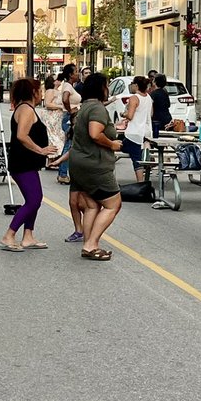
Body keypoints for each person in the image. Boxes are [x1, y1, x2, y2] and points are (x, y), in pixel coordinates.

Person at [0, 78, 58, 252]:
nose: (41, 93)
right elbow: (22, 135)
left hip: (28, 163)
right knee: (33, 200)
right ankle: (8, 235)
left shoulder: (28, 108)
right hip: (22, 162)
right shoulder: (25, 109)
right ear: (33, 92)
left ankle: (28, 236)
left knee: (34, 199)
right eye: (39, 90)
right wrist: (41, 150)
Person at [69, 72, 123, 260]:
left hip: (79, 162)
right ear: (101, 88)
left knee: (92, 205)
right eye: (107, 85)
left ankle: (87, 244)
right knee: (113, 205)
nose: (108, 89)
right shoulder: (98, 109)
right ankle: (92, 244)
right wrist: (112, 144)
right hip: (94, 164)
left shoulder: (84, 107)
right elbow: (94, 133)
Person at [120, 75, 153, 181]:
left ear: (136, 85)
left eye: (133, 84)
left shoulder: (134, 98)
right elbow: (151, 113)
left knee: (135, 158)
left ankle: (140, 182)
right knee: (137, 154)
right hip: (146, 131)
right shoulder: (148, 97)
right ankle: (148, 160)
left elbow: (130, 116)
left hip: (134, 132)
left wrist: (123, 114)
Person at [56, 63, 79, 186]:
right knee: (69, 145)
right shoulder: (68, 86)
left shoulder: (70, 86)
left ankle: (63, 172)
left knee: (69, 144)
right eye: (76, 72)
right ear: (70, 74)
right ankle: (63, 174)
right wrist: (70, 110)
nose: (78, 74)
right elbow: (65, 99)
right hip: (69, 118)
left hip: (70, 117)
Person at [37, 75, 65, 162]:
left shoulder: (58, 91)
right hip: (51, 117)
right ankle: (51, 159)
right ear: (53, 82)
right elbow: (48, 104)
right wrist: (60, 106)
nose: (60, 81)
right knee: (53, 137)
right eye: (58, 79)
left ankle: (56, 159)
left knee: (59, 137)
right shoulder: (50, 91)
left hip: (58, 118)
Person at [150, 72, 172, 136]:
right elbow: (168, 105)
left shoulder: (154, 94)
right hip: (167, 118)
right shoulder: (165, 93)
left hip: (157, 120)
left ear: (155, 82)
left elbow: (150, 108)